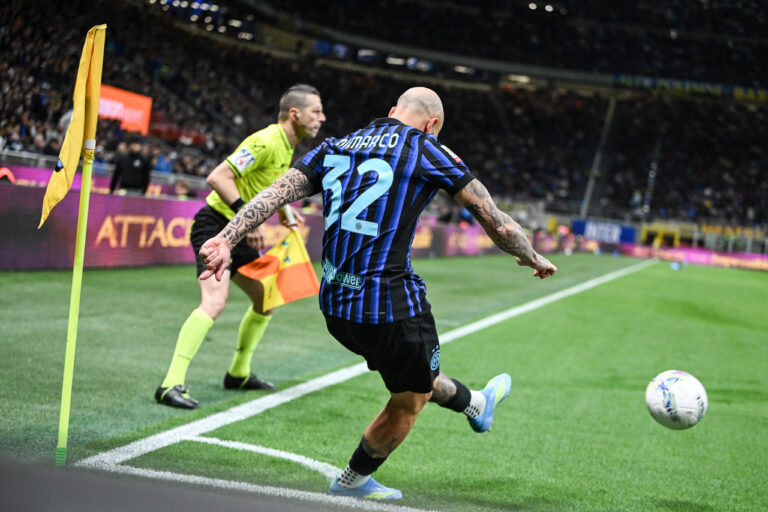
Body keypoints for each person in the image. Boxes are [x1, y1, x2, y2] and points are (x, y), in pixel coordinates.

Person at [199, 87, 557, 499]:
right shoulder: (426, 148)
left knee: (416, 373)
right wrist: (531, 257)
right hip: (389, 306)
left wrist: (226, 238)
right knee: (411, 397)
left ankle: (477, 403)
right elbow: (499, 225)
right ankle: (351, 481)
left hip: (334, 304)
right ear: (432, 124)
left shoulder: (336, 146)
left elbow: (274, 193)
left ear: (391, 112)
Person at [155, 84, 326, 409]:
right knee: (215, 302)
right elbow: (218, 177)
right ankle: (170, 384)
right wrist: (247, 221)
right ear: (295, 114)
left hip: (239, 231)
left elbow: (266, 185)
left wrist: (285, 211)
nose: (322, 118)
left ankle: (238, 373)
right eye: (316, 111)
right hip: (216, 226)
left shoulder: (288, 146)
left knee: (265, 298)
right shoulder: (265, 140)